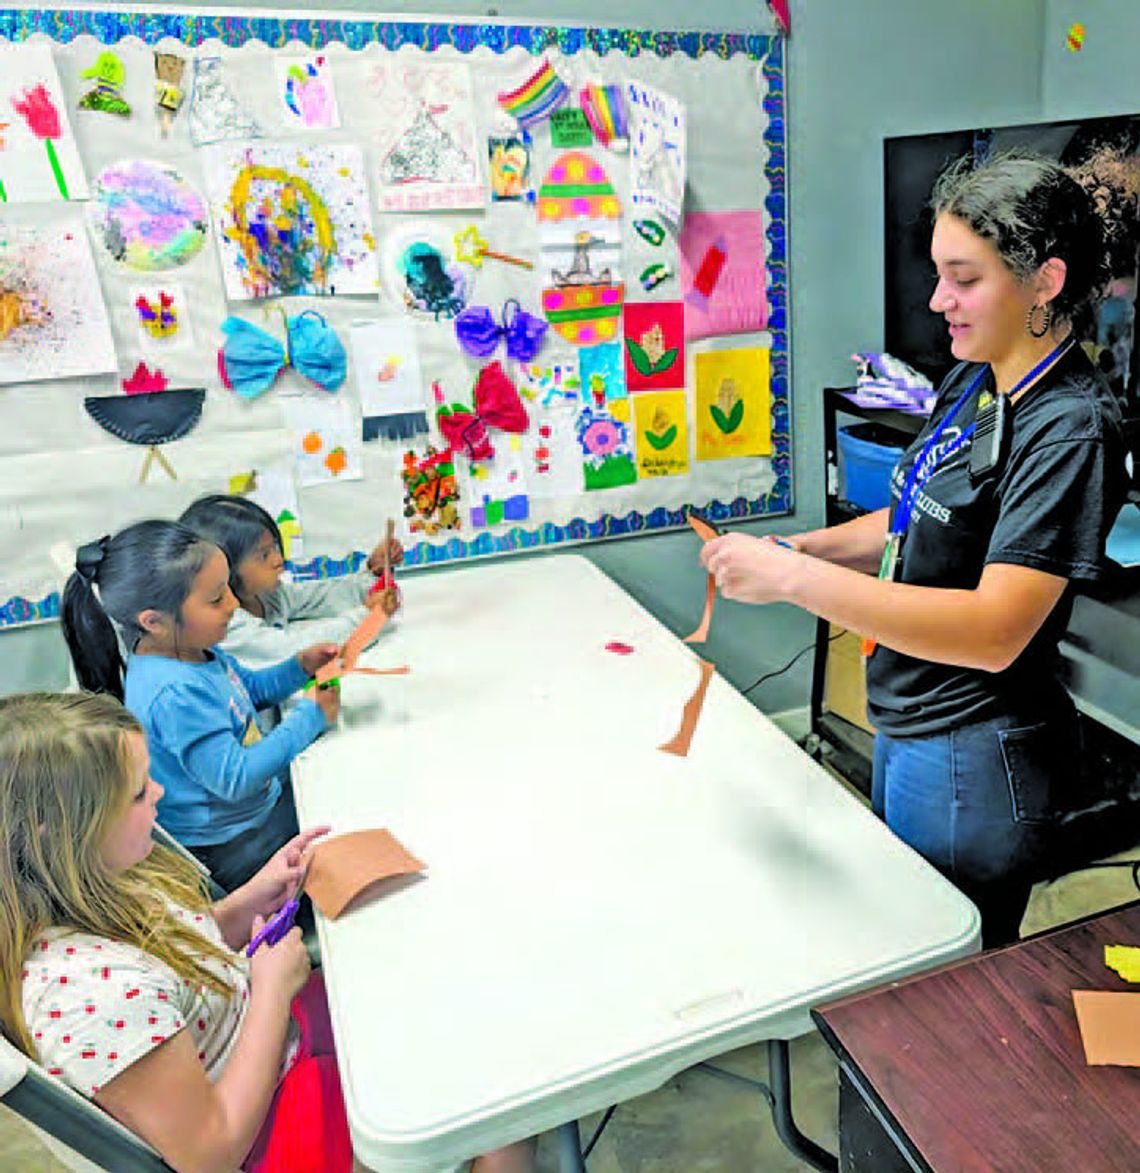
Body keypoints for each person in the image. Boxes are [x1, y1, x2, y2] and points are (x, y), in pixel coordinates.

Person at [700, 154, 1129, 948]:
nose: (939, 301)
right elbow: (911, 517)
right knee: (899, 943)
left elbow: (996, 629)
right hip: (909, 717)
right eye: (938, 275)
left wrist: (795, 579)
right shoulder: (979, 376)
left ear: (1044, 280)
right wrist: (802, 546)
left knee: (941, 982)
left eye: (964, 279)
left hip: (977, 749)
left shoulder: (1068, 427)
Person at [0, 691, 536, 1173]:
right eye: (138, 794)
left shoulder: (100, 879)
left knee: (462, 1013)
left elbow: (175, 957)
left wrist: (251, 899)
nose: (160, 794)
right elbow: (209, 1153)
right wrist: (273, 993)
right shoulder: (88, 995)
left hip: (272, 1041)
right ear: (63, 833)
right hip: (270, 1125)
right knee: (499, 1107)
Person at [60, 519, 340, 891]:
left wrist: (298, 668)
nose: (234, 604)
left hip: (253, 811)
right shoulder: (174, 692)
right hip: (234, 844)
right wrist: (311, 716)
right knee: (340, 822)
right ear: (154, 621)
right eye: (216, 598)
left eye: (227, 590)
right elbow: (235, 778)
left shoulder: (192, 650)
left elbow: (248, 691)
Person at [179, 494, 404, 672]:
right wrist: (367, 615)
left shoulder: (263, 594)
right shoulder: (227, 626)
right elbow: (293, 648)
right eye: (263, 555)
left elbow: (316, 597)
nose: (279, 560)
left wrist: (371, 576)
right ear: (224, 570)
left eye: (275, 548)